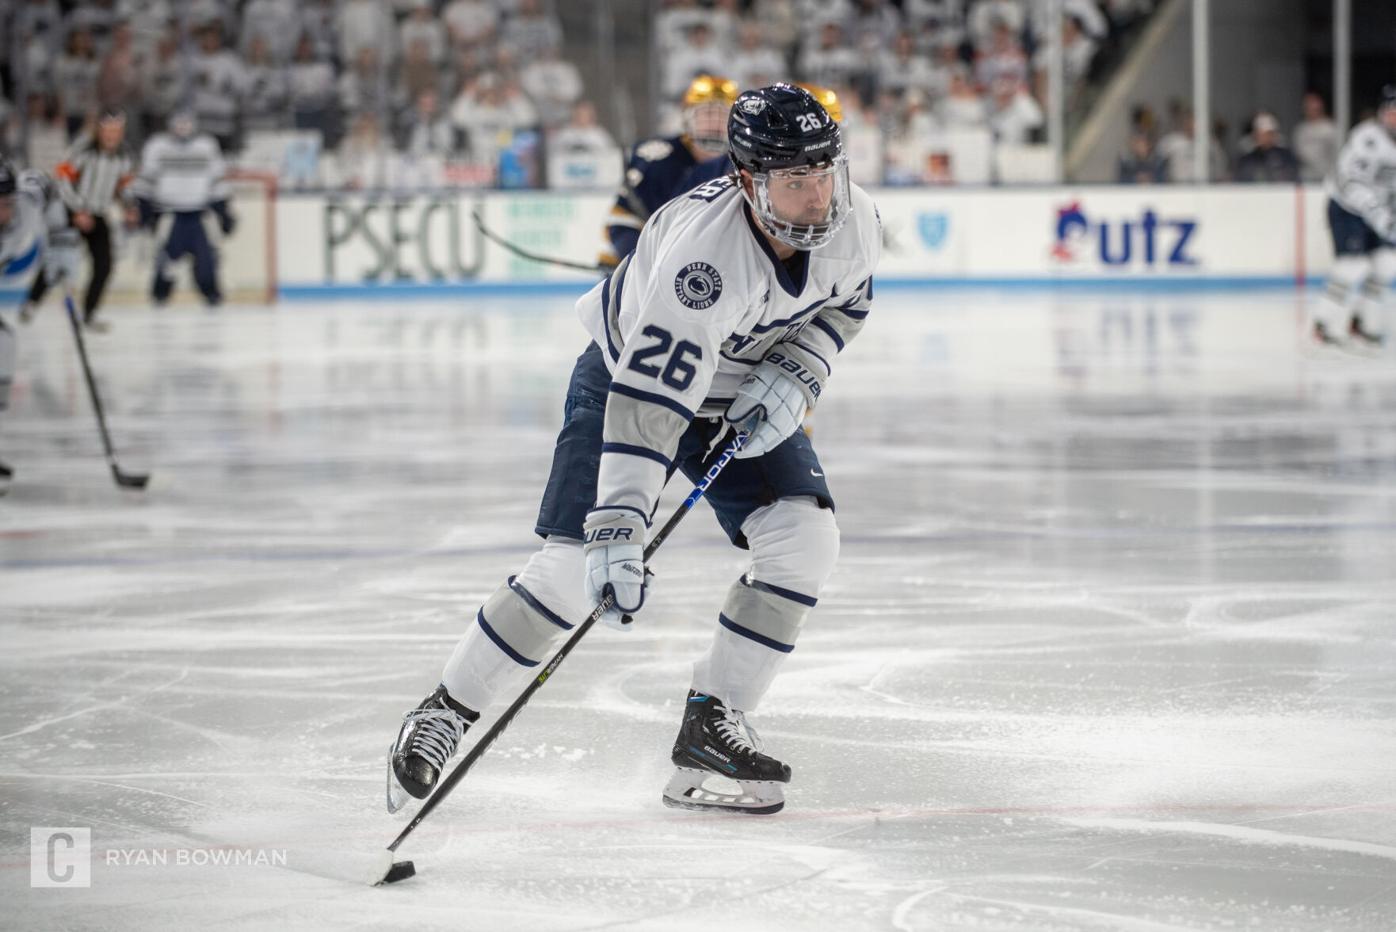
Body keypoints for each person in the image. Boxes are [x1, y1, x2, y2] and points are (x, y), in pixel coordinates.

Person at [388, 83, 880, 815]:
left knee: (805, 539)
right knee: (567, 571)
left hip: (735, 391)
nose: (818, 199)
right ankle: (444, 713)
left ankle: (712, 726)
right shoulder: (703, 264)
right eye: (795, 180)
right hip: (628, 384)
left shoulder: (855, 217)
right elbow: (651, 410)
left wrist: (803, 365)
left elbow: (848, 300)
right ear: (747, 181)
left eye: (824, 174)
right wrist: (619, 524)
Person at [599, 74, 738, 270]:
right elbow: (623, 219)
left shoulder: (743, 164)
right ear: (688, 119)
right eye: (707, 114)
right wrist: (635, 264)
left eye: (722, 115)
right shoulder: (657, 158)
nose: (715, 125)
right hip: (637, 260)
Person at [0, 156, 79, 490]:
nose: (4, 212)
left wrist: (61, 240)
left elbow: (47, 186)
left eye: (7, 203)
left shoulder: (28, 202)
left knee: (4, 344)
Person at [21, 109, 136, 332]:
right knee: (58, 261)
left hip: (98, 214)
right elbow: (63, 178)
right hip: (72, 213)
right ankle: (32, 302)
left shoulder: (124, 155)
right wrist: (77, 210)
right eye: (108, 130)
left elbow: (124, 186)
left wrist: (130, 207)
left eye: (116, 131)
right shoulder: (83, 150)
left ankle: (89, 313)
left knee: (104, 266)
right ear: (99, 130)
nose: (112, 135)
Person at [1312, 85, 1396, 347]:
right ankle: (1324, 324)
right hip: (1347, 209)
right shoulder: (1367, 138)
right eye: (1391, 112)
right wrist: (1380, 216)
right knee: (1352, 267)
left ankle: (1364, 322)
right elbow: (1352, 183)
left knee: (1386, 265)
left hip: (1378, 211)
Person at [130, 112, 235, 307]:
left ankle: (211, 294)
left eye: (187, 124)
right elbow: (145, 181)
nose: (183, 129)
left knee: (207, 260)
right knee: (165, 261)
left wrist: (223, 211)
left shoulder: (206, 145)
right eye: (179, 124)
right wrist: (145, 211)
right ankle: (160, 295)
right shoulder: (157, 146)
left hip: (199, 215)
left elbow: (217, 180)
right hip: (169, 215)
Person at [1235, 112, 1299, 183]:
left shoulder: (1285, 156)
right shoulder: (1247, 159)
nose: (1264, 137)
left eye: (1267, 134)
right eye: (1260, 134)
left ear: (1274, 135)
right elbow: (1242, 179)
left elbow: (1292, 177)